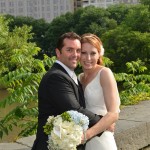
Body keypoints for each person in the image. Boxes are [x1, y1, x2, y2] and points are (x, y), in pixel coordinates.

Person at [32, 32, 102, 150]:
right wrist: (102, 122)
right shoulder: (56, 77)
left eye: (78, 50)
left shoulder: (70, 75)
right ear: (58, 53)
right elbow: (74, 110)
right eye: (69, 50)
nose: (75, 55)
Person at [78, 33, 120, 150]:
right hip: (82, 139)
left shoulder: (104, 73)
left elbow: (113, 113)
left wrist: (86, 136)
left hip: (101, 137)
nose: (88, 58)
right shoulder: (78, 78)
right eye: (84, 53)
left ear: (99, 55)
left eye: (93, 53)